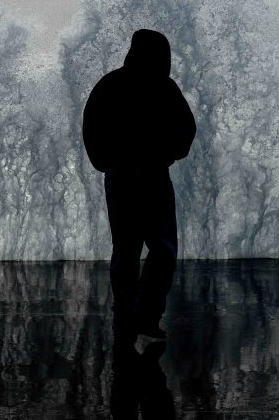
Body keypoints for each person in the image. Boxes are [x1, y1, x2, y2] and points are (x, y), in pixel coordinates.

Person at [82, 29, 196, 345]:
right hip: (141, 178)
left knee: (137, 250)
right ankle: (137, 316)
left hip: (131, 178)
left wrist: (108, 162)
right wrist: (167, 154)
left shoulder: (113, 85)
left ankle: (135, 316)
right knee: (153, 249)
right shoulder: (156, 86)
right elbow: (186, 130)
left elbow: (91, 129)